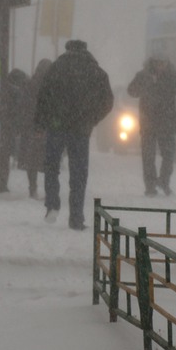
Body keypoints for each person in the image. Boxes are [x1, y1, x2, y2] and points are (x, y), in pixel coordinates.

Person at [34, 40, 113, 231]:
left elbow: (43, 96)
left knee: (52, 166)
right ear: (85, 50)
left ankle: (52, 204)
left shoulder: (56, 67)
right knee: (78, 173)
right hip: (81, 129)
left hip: (57, 126)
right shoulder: (96, 71)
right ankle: (76, 218)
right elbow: (107, 101)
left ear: (68, 50)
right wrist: (92, 119)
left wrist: (41, 122)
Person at [127, 56, 176, 196]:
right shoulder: (143, 76)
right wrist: (145, 85)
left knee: (169, 155)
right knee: (148, 157)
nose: (161, 66)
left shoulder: (172, 75)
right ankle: (150, 186)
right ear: (152, 63)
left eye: (163, 62)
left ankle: (164, 181)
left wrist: (170, 78)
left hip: (167, 122)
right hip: (149, 123)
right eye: (158, 63)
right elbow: (131, 91)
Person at [19, 59, 52, 199]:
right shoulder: (54, 85)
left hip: (32, 126)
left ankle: (32, 188)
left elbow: (24, 106)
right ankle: (49, 189)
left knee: (32, 161)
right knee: (49, 161)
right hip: (47, 127)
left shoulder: (30, 84)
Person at [0, 68, 30, 193]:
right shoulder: (17, 92)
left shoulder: (1, 88)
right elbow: (19, 111)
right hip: (9, 126)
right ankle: (2, 184)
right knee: (4, 156)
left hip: (0, 124)